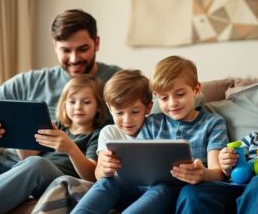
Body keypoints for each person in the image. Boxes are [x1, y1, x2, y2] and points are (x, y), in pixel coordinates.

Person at [72, 56, 229, 213]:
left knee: (161, 188)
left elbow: (218, 173)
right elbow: (136, 164)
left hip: (173, 192)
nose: (173, 103)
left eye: (180, 94)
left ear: (196, 90)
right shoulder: (152, 123)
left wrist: (202, 174)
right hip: (141, 188)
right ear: (156, 97)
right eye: (164, 97)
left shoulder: (213, 123)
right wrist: (108, 168)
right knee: (107, 183)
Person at [0, 8, 121, 145]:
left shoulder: (118, 81)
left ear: (96, 43)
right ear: (55, 46)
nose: (74, 59)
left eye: (83, 49)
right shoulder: (30, 81)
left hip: (52, 164)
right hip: (4, 158)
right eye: (66, 50)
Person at [0, 74, 107, 213]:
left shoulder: (97, 134)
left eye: (86, 102)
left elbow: (91, 175)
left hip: (59, 177)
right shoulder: (58, 126)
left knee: (38, 164)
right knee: (31, 163)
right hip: (37, 176)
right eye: (72, 102)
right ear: (64, 104)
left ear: (98, 106)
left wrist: (71, 149)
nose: (78, 107)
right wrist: (21, 135)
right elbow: (26, 158)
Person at [71, 69, 178, 214]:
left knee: (163, 189)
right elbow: (99, 173)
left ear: (148, 108)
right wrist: (105, 169)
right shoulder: (109, 132)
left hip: (156, 190)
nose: (127, 120)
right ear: (109, 109)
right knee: (106, 182)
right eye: (119, 113)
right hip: (122, 189)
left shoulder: (159, 126)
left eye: (134, 112)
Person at [177, 90, 258, 214]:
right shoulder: (253, 138)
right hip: (233, 188)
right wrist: (226, 162)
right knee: (191, 192)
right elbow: (228, 172)